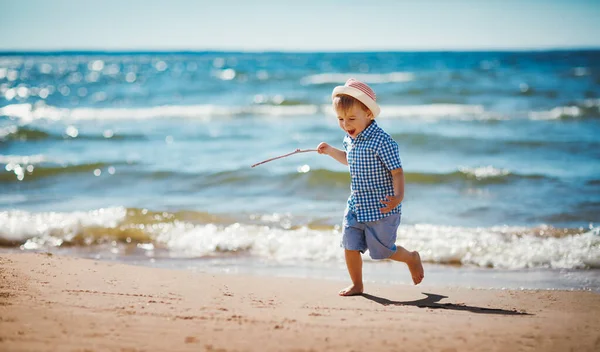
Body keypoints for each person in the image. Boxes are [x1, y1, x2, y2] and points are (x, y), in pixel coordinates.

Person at [317, 78, 424, 296]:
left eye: (351, 118)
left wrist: (398, 196)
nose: (346, 125)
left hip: (382, 207)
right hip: (356, 204)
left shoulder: (383, 141)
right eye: (340, 119)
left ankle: (411, 258)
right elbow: (349, 159)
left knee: (384, 251)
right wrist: (330, 151)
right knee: (349, 245)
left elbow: (397, 171)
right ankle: (357, 284)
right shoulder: (350, 138)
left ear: (368, 114)